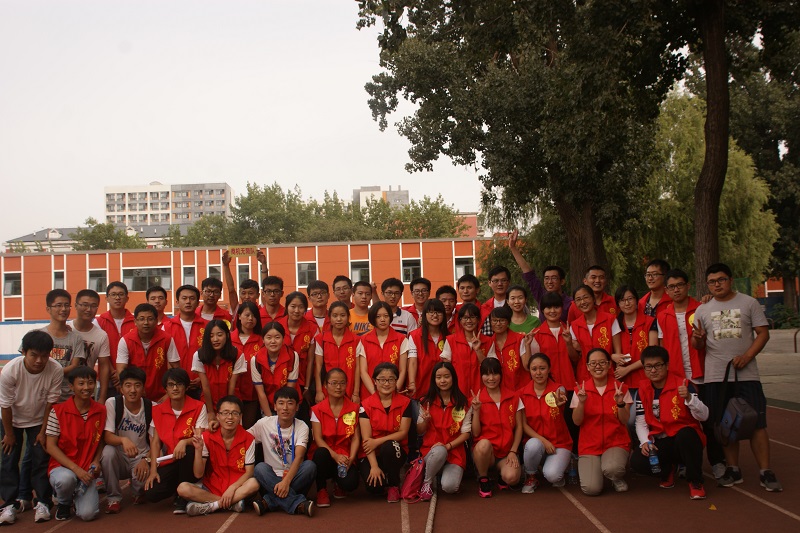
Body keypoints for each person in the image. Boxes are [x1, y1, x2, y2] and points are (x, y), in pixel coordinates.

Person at [691, 263, 782, 492]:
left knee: (757, 423)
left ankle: (765, 471)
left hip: (747, 375)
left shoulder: (749, 303)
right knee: (725, 424)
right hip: (716, 377)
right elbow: (697, 344)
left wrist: (747, 356)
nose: (717, 285)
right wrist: (698, 338)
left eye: (721, 280)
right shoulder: (702, 310)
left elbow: (763, 334)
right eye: (712, 282)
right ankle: (733, 469)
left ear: (730, 280)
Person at [0, 331, 61, 525]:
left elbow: (51, 403)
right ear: (24, 352)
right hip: (11, 419)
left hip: (38, 419)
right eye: (34, 355)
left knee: (41, 459)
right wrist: (9, 434)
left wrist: (43, 432)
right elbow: (5, 406)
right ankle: (9, 505)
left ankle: (42, 502)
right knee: (9, 459)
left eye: (44, 355)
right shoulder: (10, 371)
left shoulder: (55, 369)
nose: (39, 360)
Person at [632, 346, 709, 500]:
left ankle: (695, 481)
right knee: (637, 462)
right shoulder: (643, 389)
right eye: (648, 366)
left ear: (667, 365)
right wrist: (645, 442)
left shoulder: (683, 384)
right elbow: (641, 422)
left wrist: (689, 399)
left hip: (684, 438)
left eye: (658, 365)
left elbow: (704, 415)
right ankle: (668, 470)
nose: (653, 370)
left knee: (686, 435)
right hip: (661, 439)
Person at [177, 396, 260, 516]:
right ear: (218, 416)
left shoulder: (248, 438)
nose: (230, 417)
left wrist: (232, 488)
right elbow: (198, 474)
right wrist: (198, 450)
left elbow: (249, 472)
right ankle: (230, 504)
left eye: (235, 413)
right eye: (225, 413)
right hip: (212, 487)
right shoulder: (207, 437)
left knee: (254, 483)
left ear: (240, 416)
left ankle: (212, 506)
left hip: (237, 487)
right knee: (182, 488)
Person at [45, 366, 106, 522]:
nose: (86, 387)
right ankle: (63, 502)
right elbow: (50, 446)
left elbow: (100, 440)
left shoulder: (101, 410)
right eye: (81, 383)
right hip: (63, 468)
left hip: (87, 471)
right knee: (66, 480)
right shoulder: (58, 411)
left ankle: (76, 495)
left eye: (90, 383)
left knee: (88, 514)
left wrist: (96, 460)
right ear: (71, 387)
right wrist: (76, 470)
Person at [145, 368, 208, 513]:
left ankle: (184, 495)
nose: (175, 388)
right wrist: (153, 470)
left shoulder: (199, 407)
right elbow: (155, 442)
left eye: (179, 384)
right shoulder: (158, 410)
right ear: (165, 389)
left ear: (186, 387)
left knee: (190, 449)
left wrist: (184, 442)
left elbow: (200, 437)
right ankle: (181, 489)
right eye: (171, 385)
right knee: (151, 493)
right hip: (171, 459)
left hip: (191, 458)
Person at [571, 348, 632, 496]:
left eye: (602, 362)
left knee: (613, 469)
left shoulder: (621, 388)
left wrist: (620, 403)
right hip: (589, 446)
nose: (598, 366)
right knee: (591, 489)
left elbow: (624, 420)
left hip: (615, 442)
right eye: (593, 363)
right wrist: (582, 403)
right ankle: (600, 470)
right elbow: (577, 422)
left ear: (609, 364)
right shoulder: (580, 390)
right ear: (587, 367)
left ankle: (615, 477)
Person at [249, 387, 317, 517]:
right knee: (260, 468)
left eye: (290, 403)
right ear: (275, 406)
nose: (285, 408)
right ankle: (298, 504)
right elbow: (243, 437)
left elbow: (299, 457)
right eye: (281, 403)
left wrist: (286, 482)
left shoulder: (302, 426)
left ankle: (269, 501)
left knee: (310, 466)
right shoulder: (264, 424)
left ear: (297, 407)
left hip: (293, 477)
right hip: (270, 477)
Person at [417, 362, 472, 499]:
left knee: (450, 487)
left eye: (446, 376)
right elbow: (419, 431)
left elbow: (466, 433)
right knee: (439, 451)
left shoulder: (463, 403)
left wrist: (448, 446)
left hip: (454, 453)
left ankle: (437, 473)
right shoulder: (425, 402)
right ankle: (427, 482)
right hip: (431, 452)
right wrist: (425, 421)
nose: (442, 380)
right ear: (434, 380)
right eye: (439, 377)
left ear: (453, 378)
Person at [358, 363, 412, 503]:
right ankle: (382, 474)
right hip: (373, 453)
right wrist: (374, 467)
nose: (386, 383)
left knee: (389, 446)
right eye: (382, 379)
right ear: (375, 381)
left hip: (395, 449)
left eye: (391, 379)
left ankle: (394, 484)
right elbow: (367, 440)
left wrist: (377, 442)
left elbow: (403, 432)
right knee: (374, 487)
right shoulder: (365, 404)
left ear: (396, 381)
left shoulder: (405, 403)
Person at [101, 366, 152, 514]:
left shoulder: (151, 407)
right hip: (120, 458)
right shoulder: (113, 403)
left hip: (140, 458)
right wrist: (123, 440)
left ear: (143, 388)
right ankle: (113, 497)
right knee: (107, 453)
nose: (133, 390)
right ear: (121, 388)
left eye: (137, 385)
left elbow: (156, 443)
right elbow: (107, 436)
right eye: (128, 385)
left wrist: (147, 459)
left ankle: (137, 491)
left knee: (144, 490)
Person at [519, 353, 572, 492]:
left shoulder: (558, 389)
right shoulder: (522, 394)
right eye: (534, 369)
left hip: (559, 443)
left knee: (553, 476)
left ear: (549, 369)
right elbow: (523, 425)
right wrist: (544, 441)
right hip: (536, 444)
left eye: (542, 368)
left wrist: (560, 401)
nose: (538, 373)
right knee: (533, 445)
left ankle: (562, 464)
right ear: (530, 371)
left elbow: (561, 395)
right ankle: (531, 476)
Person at [471, 357, 523, 498]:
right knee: (483, 444)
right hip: (486, 453)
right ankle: (483, 478)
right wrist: (476, 411)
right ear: (481, 376)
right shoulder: (476, 399)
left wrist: (513, 451)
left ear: (501, 374)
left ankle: (501, 475)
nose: (491, 378)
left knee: (512, 478)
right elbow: (476, 433)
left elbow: (519, 427)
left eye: (495, 374)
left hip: (506, 452)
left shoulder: (513, 397)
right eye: (487, 374)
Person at [310, 368, 361, 507]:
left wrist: (351, 458)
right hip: (326, 454)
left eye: (342, 383)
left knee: (351, 483)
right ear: (325, 385)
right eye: (334, 383)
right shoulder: (317, 409)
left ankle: (339, 484)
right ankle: (321, 490)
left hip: (345, 454)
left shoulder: (354, 408)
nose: (338, 387)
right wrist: (335, 456)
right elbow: (318, 439)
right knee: (320, 453)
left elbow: (356, 438)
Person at [117, 303, 181, 403]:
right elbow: (121, 371)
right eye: (141, 319)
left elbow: (176, 369)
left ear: (156, 321)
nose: (146, 323)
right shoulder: (125, 340)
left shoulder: (167, 339)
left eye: (150, 319)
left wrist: (169, 394)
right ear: (135, 321)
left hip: (161, 396)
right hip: (135, 395)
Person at [508, 229, 572, 322]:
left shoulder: (571, 303)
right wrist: (513, 248)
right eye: (546, 278)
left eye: (554, 278)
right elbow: (529, 274)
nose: (549, 282)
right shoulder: (541, 296)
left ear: (562, 281)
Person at [193, 320, 246, 425]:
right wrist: (210, 412)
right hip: (207, 403)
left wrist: (228, 412)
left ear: (227, 335)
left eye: (220, 335)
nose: (215, 339)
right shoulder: (199, 355)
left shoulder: (237, 355)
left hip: (232, 403)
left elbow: (232, 385)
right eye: (211, 336)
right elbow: (205, 386)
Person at [657, 269, 705, 383]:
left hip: (703, 372)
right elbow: (663, 346)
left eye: (680, 285)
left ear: (688, 286)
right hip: (675, 375)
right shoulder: (662, 316)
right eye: (672, 287)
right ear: (666, 290)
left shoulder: (701, 309)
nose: (676, 290)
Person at [40, 289, 85, 402]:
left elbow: (74, 366)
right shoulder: (38, 335)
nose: (64, 309)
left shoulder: (76, 338)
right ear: (48, 309)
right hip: (42, 396)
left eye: (66, 305)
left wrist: (50, 372)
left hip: (67, 397)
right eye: (59, 305)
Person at [569, 284, 621, 383]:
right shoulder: (574, 326)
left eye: (585, 297)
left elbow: (618, 353)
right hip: (584, 377)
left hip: (608, 375)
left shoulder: (610, 319)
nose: (583, 302)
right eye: (578, 299)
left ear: (593, 299)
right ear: (575, 303)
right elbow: (575, 358)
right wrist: (568, 343)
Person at [164, 285, 208, 398]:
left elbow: (213, 355)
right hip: (175, 386)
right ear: (177, 302)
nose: (188, 301)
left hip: (202, 385)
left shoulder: (208, 326)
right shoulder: (166, 327)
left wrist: (201, 378)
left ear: (198, 302)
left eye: (192, 298)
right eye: (184, 298)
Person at [358, 302, 409, 399]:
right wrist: (375, 394)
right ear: (373, 318)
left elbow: (403, 370)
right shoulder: (363, 340)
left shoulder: (401, 340)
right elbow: (363, 371)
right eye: (378, 316)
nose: (382, 319)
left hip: (395, 395)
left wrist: (394, 391)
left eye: (386, 316)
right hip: (369, 396)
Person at [69, 289, 112, 403]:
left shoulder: (101, 335)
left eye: (93, 306)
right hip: (62, 391)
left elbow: (104, 367)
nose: (88, 309)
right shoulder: (66, 329)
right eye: (84, 305)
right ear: (76, 305)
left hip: (87, 392)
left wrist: (102, 398)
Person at [528, 292, 576, 391]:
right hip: (547, 387)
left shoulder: (571, 331)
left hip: (570, 384)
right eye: (548, 308)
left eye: (556, 307)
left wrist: (569, 344)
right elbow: (533, 364)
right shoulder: (536, 335)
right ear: (542, 310)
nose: (553, 311)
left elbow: (576, 359)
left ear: (562, 308)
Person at [315, 302, 360, 404]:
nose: (339, 319)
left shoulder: (356, 340)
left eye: (342, 315)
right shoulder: (321, 339)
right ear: (329, 318)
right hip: (326, 390)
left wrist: (356, 393)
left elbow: (357, 367)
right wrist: (319, 391)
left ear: (348, 317)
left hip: (349, 390)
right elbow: (318, 366)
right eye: (335, 316)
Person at [612, 286, 657, 390]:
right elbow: (605, 349)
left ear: (637, 300)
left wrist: (628, 369)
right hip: (621, 383)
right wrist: (612, 356)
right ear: (618, 304)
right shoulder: (614, 324)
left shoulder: (650, 322)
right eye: (622, 300)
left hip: (646, 380)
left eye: (630, 299)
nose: (627, 303)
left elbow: (652, 353)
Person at [252, 322, 300, 417]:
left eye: (277, 337)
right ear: (263, 340)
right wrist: (269, 418)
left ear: (283, 339)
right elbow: (261, 393)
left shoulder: (293, 356)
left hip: (288, 404)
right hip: (267, 404)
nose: (273, 341)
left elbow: (290, 389)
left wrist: (283, 413)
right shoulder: (256, 360)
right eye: (269, 337)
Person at [440, 302, 487, 399]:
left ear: (478, 319)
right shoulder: (451, 340)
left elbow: (489, 368)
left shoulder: (488, 341)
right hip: (457, 392)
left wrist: (478, 350)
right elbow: (446, 368)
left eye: (472, 317)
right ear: (460, 320)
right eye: (465, 318)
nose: (469, 321)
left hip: (482, 392)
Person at [278, 292, 319, 401]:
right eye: (293, 306)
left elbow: (311, 360)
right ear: (286, 307)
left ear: (305, 309)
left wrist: (307, 386)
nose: (296, 311)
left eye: (301, 307)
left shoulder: (312, 329)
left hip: (302, 378)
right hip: (280, 378)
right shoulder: (277, 326)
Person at [95, 282, 135, 389]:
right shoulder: (99, 322)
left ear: (127, 298)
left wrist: (123, 374)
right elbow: (100, 351)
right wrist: (114, 373)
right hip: (106, 377)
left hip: (131, 378)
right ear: (106, 298)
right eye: (113, 294)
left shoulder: (135, 322)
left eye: (121, 294)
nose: (117, 298)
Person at [408, 299, 448, 399]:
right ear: (424, 315)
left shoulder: (449, 337)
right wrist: (412, 383)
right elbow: (412, 362)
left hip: (444, 392)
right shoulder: (415, 336)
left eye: (438, 312)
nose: (435, 315)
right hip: (420, 390)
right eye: (431, 312)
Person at [231, 301, 262, 428]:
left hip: (252, 393)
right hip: (232, 391)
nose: (250, 319)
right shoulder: (229, 339)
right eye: (247, 315)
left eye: (254, 316)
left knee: (248, 428)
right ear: (239, 316)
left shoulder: (261, 340)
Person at [486, 306, 530, 392]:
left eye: (502, 320)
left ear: (508, 322)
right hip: (500, 392)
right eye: (494, 320)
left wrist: (527, 345)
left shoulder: (519, 339)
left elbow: (527, 367)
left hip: (521, 390)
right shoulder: (489, 343)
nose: (498, 324)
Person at [221, 248, 269, 317]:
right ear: (239, 294)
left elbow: (266, 288)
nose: (247, 297)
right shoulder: (236, 310)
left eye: (251, 293)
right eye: (243, 293)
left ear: (258, 295)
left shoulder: (262, 309)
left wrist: (264, 264)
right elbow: (231, 290)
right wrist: (226, 265)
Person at [480, 266, 512, 335]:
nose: (500, 284)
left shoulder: (516, 305)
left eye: (503, 280)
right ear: (489, 283)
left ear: (509, 282)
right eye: (495, 281)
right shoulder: (484, 308)